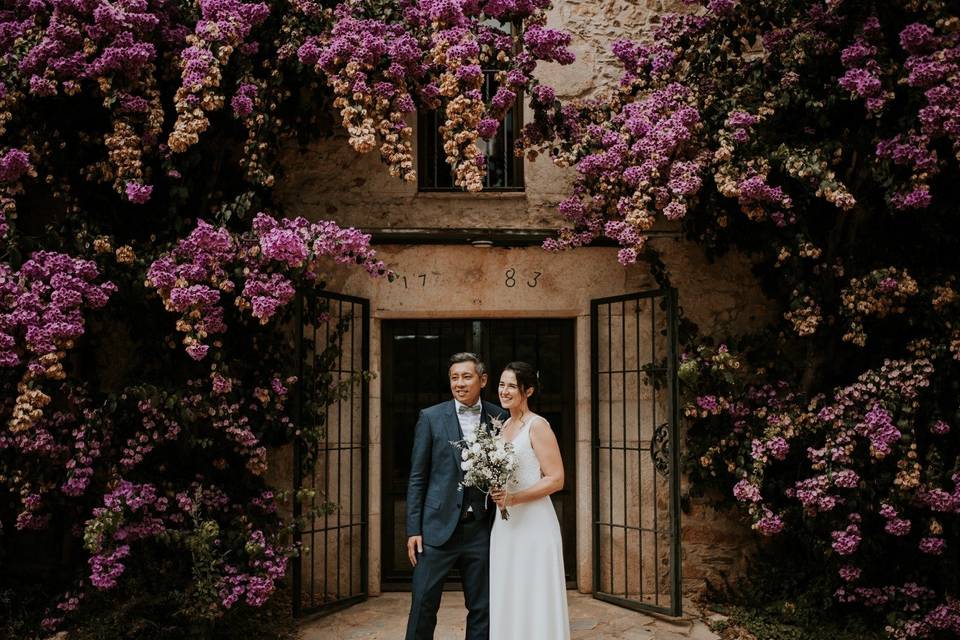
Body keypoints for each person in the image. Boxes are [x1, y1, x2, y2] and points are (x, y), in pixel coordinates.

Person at [405, 352, 508, 640]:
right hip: (436, 529)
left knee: (482, 609)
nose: (459, 383)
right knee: (423, 604)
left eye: (466, 376)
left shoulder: (500, 417)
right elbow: (417, 477)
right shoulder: (430, 417)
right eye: (454, 378)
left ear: (483, 380)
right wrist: (414, 528)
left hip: (482, 530)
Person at [489, 361, 570, 639]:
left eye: (512, 385)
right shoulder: (502, 426)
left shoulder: (538, 426)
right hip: (506, 524)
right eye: (501, 384)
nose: (504, 390)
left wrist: (515, 498)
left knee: (534, 588)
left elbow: (556, 479)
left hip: (534, 522)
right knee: (509, 586)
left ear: (529, 390)